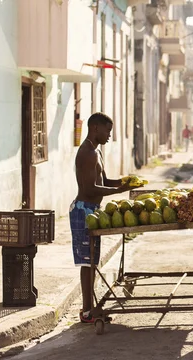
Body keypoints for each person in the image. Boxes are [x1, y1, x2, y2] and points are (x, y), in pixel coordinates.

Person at [70, 112, 135, 323]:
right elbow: (90, 188)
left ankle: (90, 308)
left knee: (93, 261)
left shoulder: (97, 152)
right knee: (87, 263)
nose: (109, 135)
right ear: (95, 128)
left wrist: (124, 183)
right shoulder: (87, 153)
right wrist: (118, 192)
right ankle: (87, 311)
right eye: (107, 131)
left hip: (93, 210)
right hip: (83, 209)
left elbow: (104, 180)